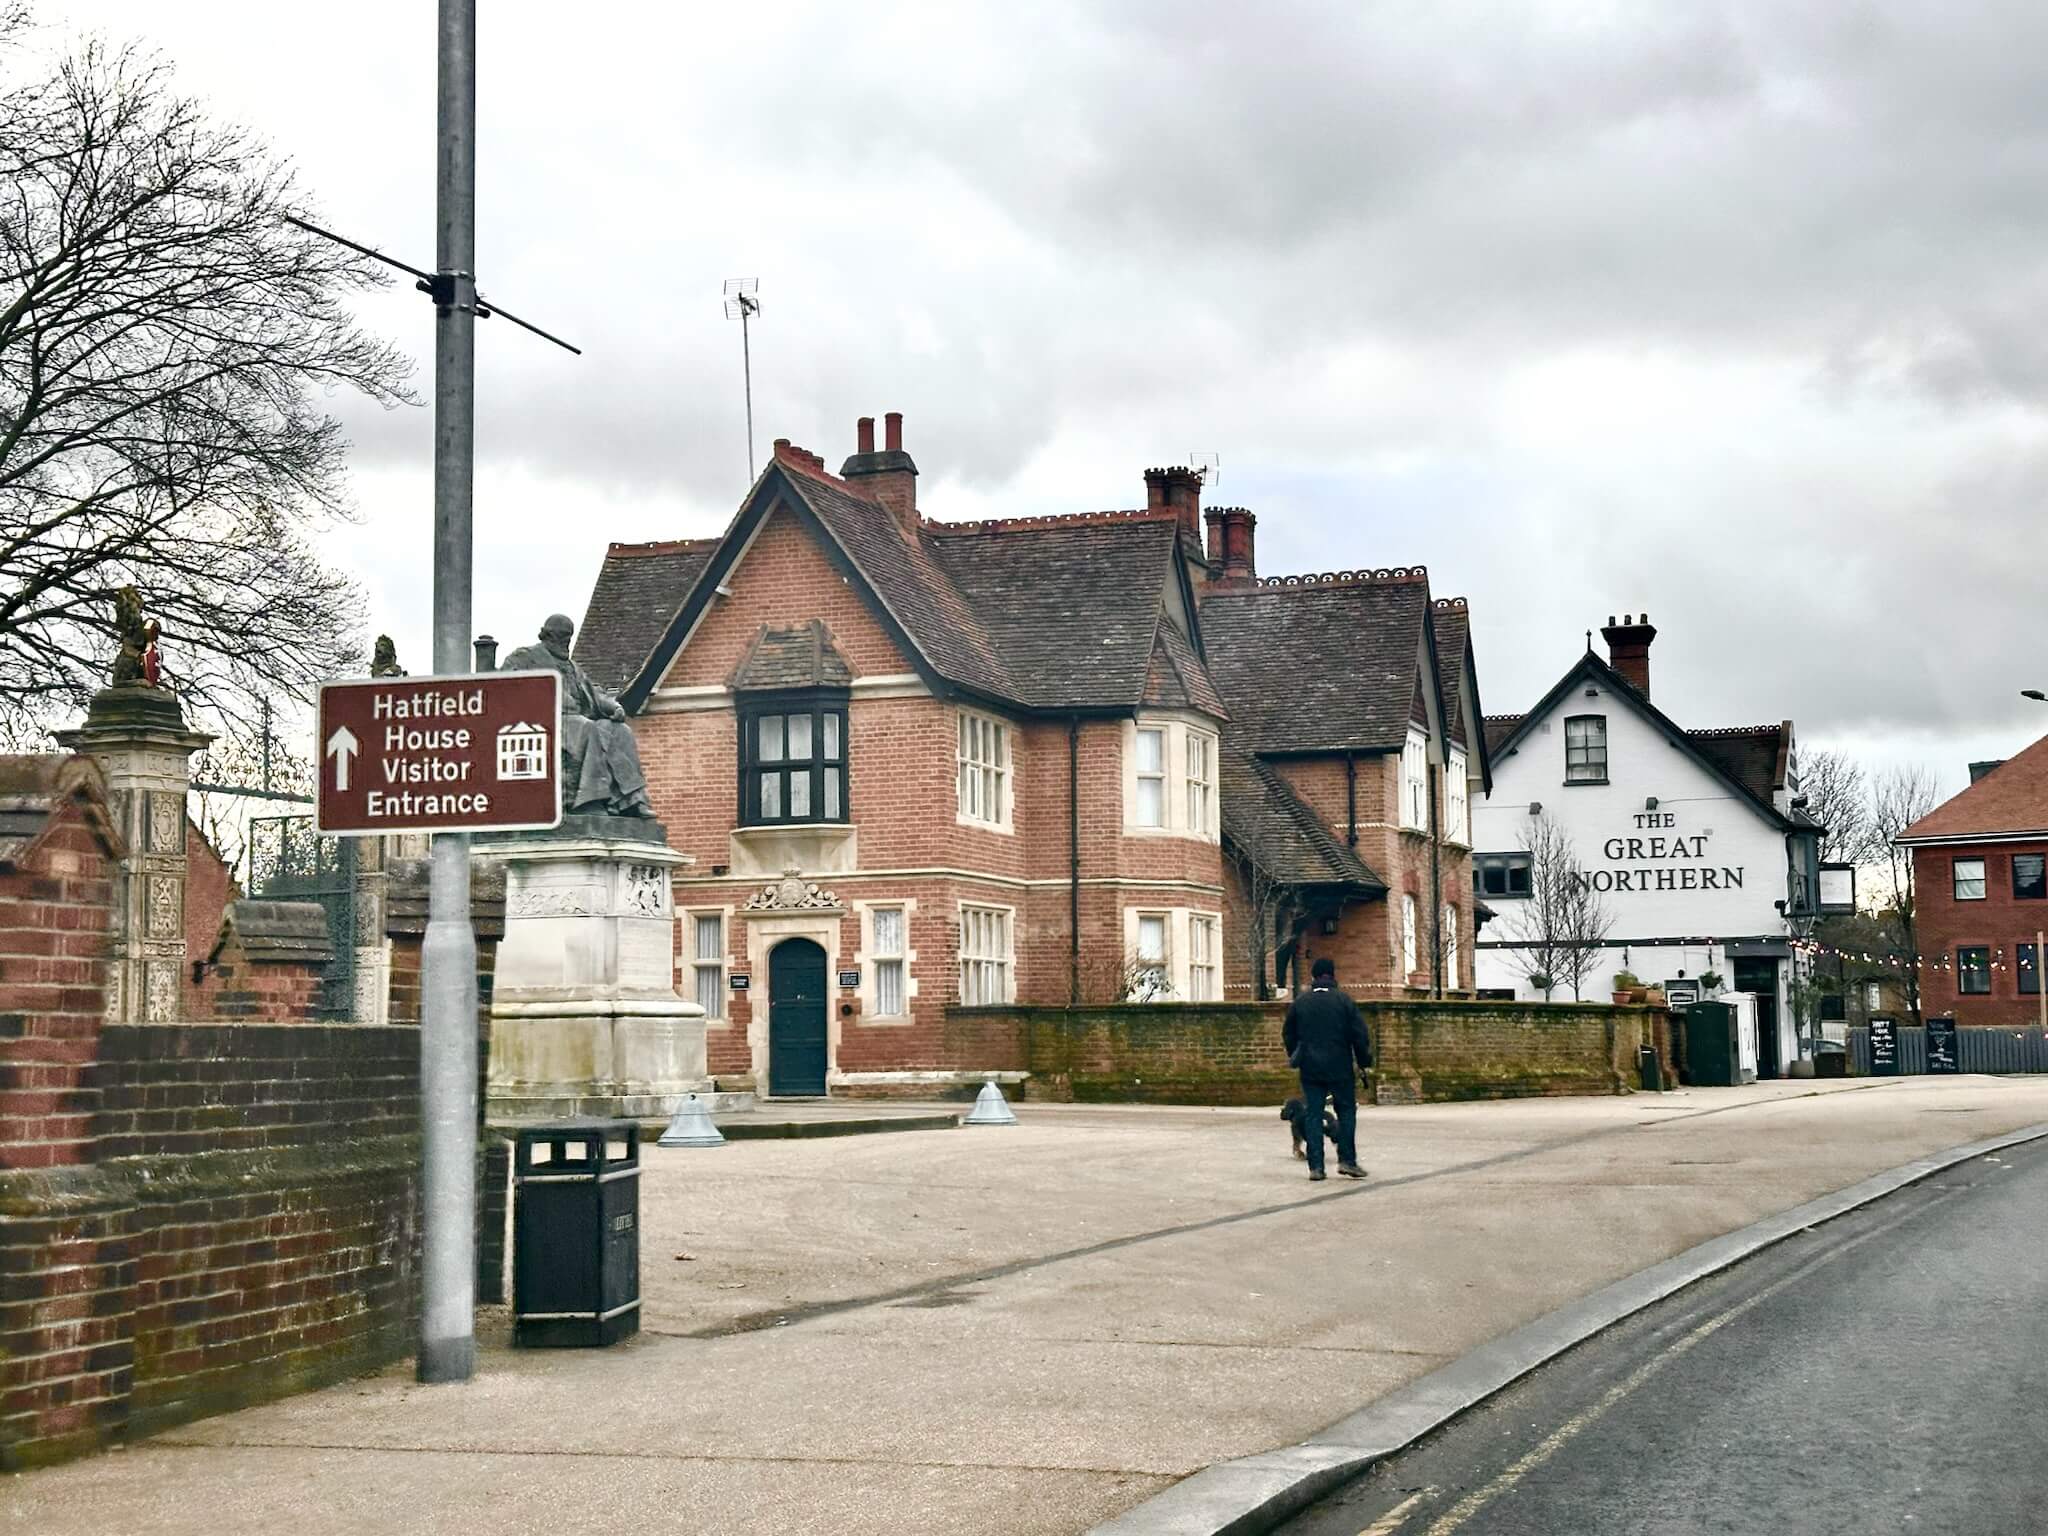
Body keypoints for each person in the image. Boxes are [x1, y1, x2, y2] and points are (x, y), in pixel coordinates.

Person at [499, 614, 655, 818]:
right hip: (546, 721)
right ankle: (590, 800)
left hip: (577, 720)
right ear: (547, 635)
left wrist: (613, 707)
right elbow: (505, 686)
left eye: (568, 637)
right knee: (587, 728)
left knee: (619, 730)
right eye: (561, 636)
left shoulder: (573, 667)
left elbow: (594, 693)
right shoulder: (525, 657)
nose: (565, 642)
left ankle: (632, 800)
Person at [1281, 957, 1372, 1181]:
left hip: (1310, 1067)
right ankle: (1347, 1160)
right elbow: (1359, 1035)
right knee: (1346, 1112)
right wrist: (1363, 1062)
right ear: (1332, 975)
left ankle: (1316, 1167)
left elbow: (1288, 1033)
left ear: (1313, 976)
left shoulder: (1301, 1002)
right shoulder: (1344, 1001)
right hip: (1340, 1066)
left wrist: (1296, 1053)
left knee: (1313, 1114)